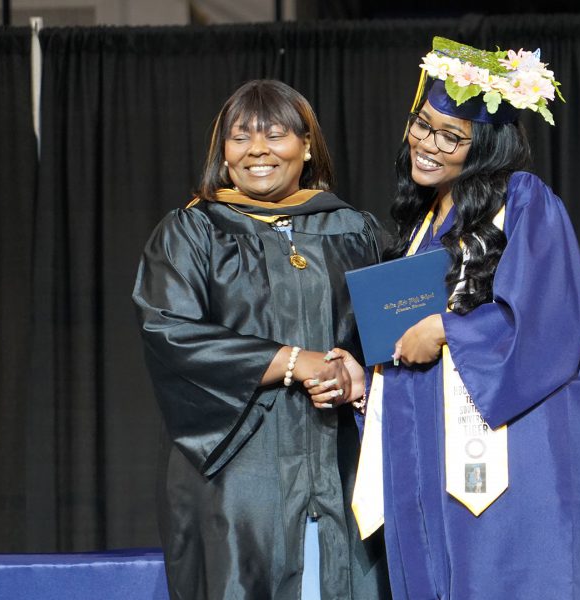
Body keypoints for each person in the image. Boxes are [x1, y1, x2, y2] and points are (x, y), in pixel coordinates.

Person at [312, 38, 580, 599]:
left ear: (486, 146)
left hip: (512, 462)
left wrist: (449, 329)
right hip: (428, 464)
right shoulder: (417, 226)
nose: (428, 144)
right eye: (423, 126)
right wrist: (366, 379)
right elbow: (404, 353)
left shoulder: (523, 201)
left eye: (452, 137)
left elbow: (551, 321)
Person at [132, 79, 388, 600]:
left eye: (275, 134)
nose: (257, 150)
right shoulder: (192, 232)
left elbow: (395, 333)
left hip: (343, 469)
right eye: (240, 137)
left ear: (307, 145)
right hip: (241, 478)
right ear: (222, 153)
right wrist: (294, 361)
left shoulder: (356, 231)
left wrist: (356, 372)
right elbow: (169, 329)